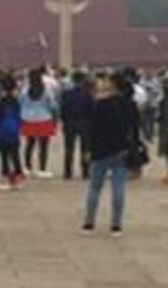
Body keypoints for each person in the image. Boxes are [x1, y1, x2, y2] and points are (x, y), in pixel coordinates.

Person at [82, 71, 140, 235]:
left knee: (94, 187)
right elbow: (135, 130)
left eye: (107, 81)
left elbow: (93, 130)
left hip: (100, 150)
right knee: (118, 188)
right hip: (122, 150)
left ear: (113, 84)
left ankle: (89, 223)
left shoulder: (101, 104)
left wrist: (88, 149)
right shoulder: (130, 104)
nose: (104, 83)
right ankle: (116, 225)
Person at [19, 67, 58, 178]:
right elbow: (52, 104)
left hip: (28, 119)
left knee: (29, 144)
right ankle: (42, 170)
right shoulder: (47, 89)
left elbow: (20, 102)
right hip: (44, 119)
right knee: (43, 146)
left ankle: (27, 168)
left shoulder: (25, 89)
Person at [0, 75, 26, 190]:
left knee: (5, 157)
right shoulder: (16, 101)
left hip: (3, 132)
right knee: (15, 156)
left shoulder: (1, 102)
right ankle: (18, 180)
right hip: (14, 132)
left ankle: (5, 180)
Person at [60, 70, 94, 180]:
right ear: (83, 80)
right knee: (85, 149)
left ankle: (67, 172)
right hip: (85, 124)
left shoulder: (66, 94)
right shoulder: (88, 94)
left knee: (69, 148)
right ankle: (85, 171)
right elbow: (91, 110)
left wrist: (65, 122)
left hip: (70, 123)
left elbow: (63, 110)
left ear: (73, 80)